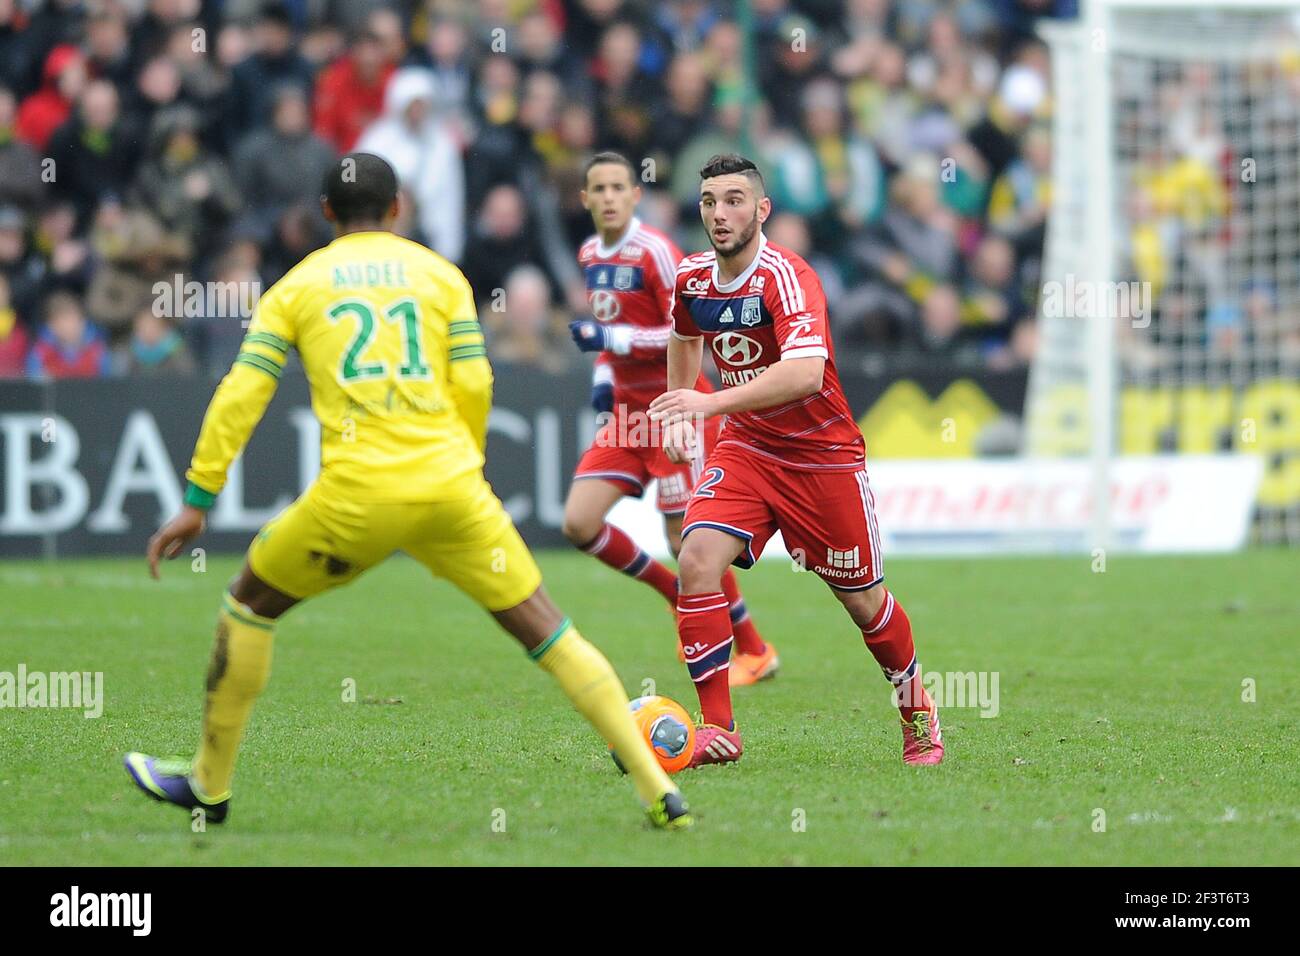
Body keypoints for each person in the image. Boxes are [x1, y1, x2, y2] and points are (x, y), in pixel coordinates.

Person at [126, 152, 692, 831]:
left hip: (355, 499)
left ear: (326, 215)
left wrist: (198, 497)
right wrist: (471, 458)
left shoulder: (298, 285)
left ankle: (209, 789)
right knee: (549, 628)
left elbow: (243, 392)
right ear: (398, 210)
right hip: (453, 491)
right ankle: (658, 789)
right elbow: (477, 382)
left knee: (248, 605)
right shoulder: (440, 276)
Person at [648, 153, 944, 767]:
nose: (719, 213)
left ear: (762, 210)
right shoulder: (694, 277)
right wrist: (682, 409)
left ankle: (918, 714)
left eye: (733, 200)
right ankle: (719, 730)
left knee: (863, 602)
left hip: (822, 459)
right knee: (697, 559)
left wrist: (708, 404)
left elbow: (806, 374)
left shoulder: (787, 276)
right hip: (748, 449)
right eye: (708, 202)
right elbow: (683, 336)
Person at [563, 151, 776, 684]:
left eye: (619, 187)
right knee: (579, 523)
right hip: (630, 414)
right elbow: (611, 339)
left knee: (687, 540)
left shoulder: (656, 252)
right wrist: (603, 379)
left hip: (676, 408)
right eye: (599, 189)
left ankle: (753, 650)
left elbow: (684, 334)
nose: (609, 197)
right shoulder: (590, 253)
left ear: (636, 196)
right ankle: (671, 592)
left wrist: (613, 339)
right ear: (584, 199)